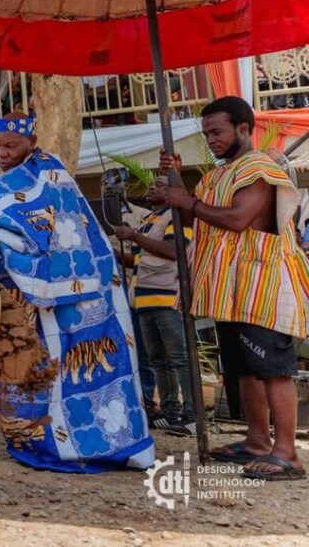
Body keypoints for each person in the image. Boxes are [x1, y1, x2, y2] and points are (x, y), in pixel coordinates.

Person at [0, 113, 154, 472]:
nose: (1, 153)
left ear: (32, 142)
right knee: (38, 369)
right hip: (36, 303)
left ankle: (92, 447)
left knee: (78, 372)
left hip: (78, 297)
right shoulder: (9, 178)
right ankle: (37, 441)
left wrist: (0, 239)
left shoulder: (50, 174)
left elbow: (45, 228)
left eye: (10, 145)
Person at [157, 96, 309, 481]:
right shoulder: (218, 174)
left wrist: (186, 200)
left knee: (274, 370)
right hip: (230, 289)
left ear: (244, 127)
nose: (211, 139)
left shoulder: (258, 167)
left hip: (262, 286)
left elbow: (238, 219)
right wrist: (177, 182)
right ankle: (257, 441)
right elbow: (200, 210)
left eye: (217, 131)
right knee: (245, 370)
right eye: (206, 133)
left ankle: (288, 453)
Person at [114, 177, 196, 435]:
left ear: (172, 191)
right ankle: (170, 412)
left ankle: (192, 415)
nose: (151, 186)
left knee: (179, 358)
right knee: (159, 359)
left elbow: (174, 251)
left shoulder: (176, 216)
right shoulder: (151, 220)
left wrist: (134, 236)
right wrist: (116, 254)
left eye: (159, 184)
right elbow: (141, 259)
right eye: (150, 183)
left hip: (166, 297)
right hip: (143, 300)